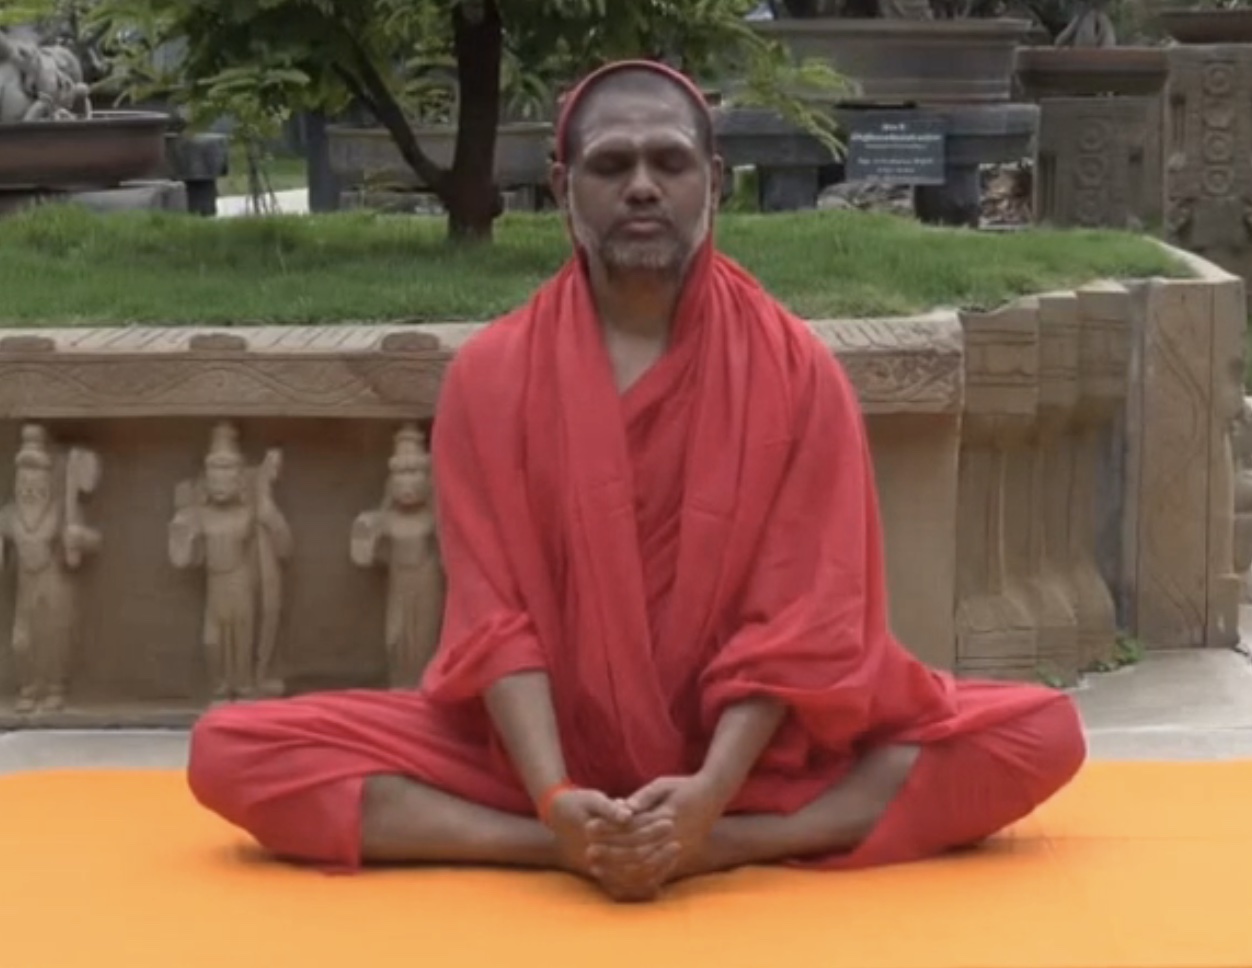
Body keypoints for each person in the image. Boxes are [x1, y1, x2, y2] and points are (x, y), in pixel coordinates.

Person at [186, 59, 1086, 903]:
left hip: (754, 760)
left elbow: (803, 623)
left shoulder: (795, 370)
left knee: (1037, 733)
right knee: (231, 752)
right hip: (542, 753)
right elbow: (496, 625)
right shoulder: (493, 375)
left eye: (670, 162)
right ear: (563, 187)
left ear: (714, 181)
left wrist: (710, 796)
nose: (643, 186)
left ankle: (725, 842)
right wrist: (552, 797)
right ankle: (560, 845)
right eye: (612, 165)